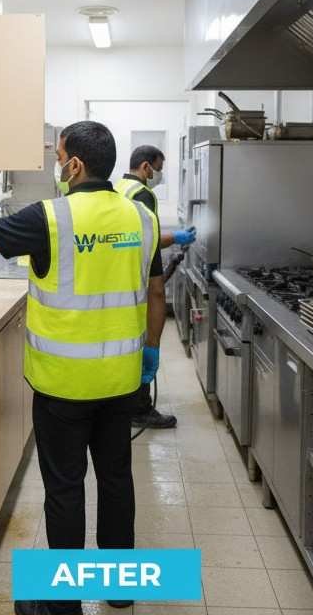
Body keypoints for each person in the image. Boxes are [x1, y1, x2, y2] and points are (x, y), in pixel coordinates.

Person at [0, 122, 164, 615]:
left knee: (65, 487)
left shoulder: (52, 218)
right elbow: (154, 289)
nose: (56, 165)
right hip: (121, 381)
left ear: (75, 164)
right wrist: (152, 349)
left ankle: (62, 605)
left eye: (59, 156)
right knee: (117, 480)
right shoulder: (142, 216)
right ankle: (119, 589)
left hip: (63, 386)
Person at [116, 144, 196, 430]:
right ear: (146, 167)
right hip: (142, 275)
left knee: (128, 346)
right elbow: (147, 240)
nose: (159, 176)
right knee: (145, 344)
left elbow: (134, 235)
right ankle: (140, 409)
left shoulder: (120, 188)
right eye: (159, 170)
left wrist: (175, 236)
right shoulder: (143, 194)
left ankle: (126, 405)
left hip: (124, 275)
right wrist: (176, 237)